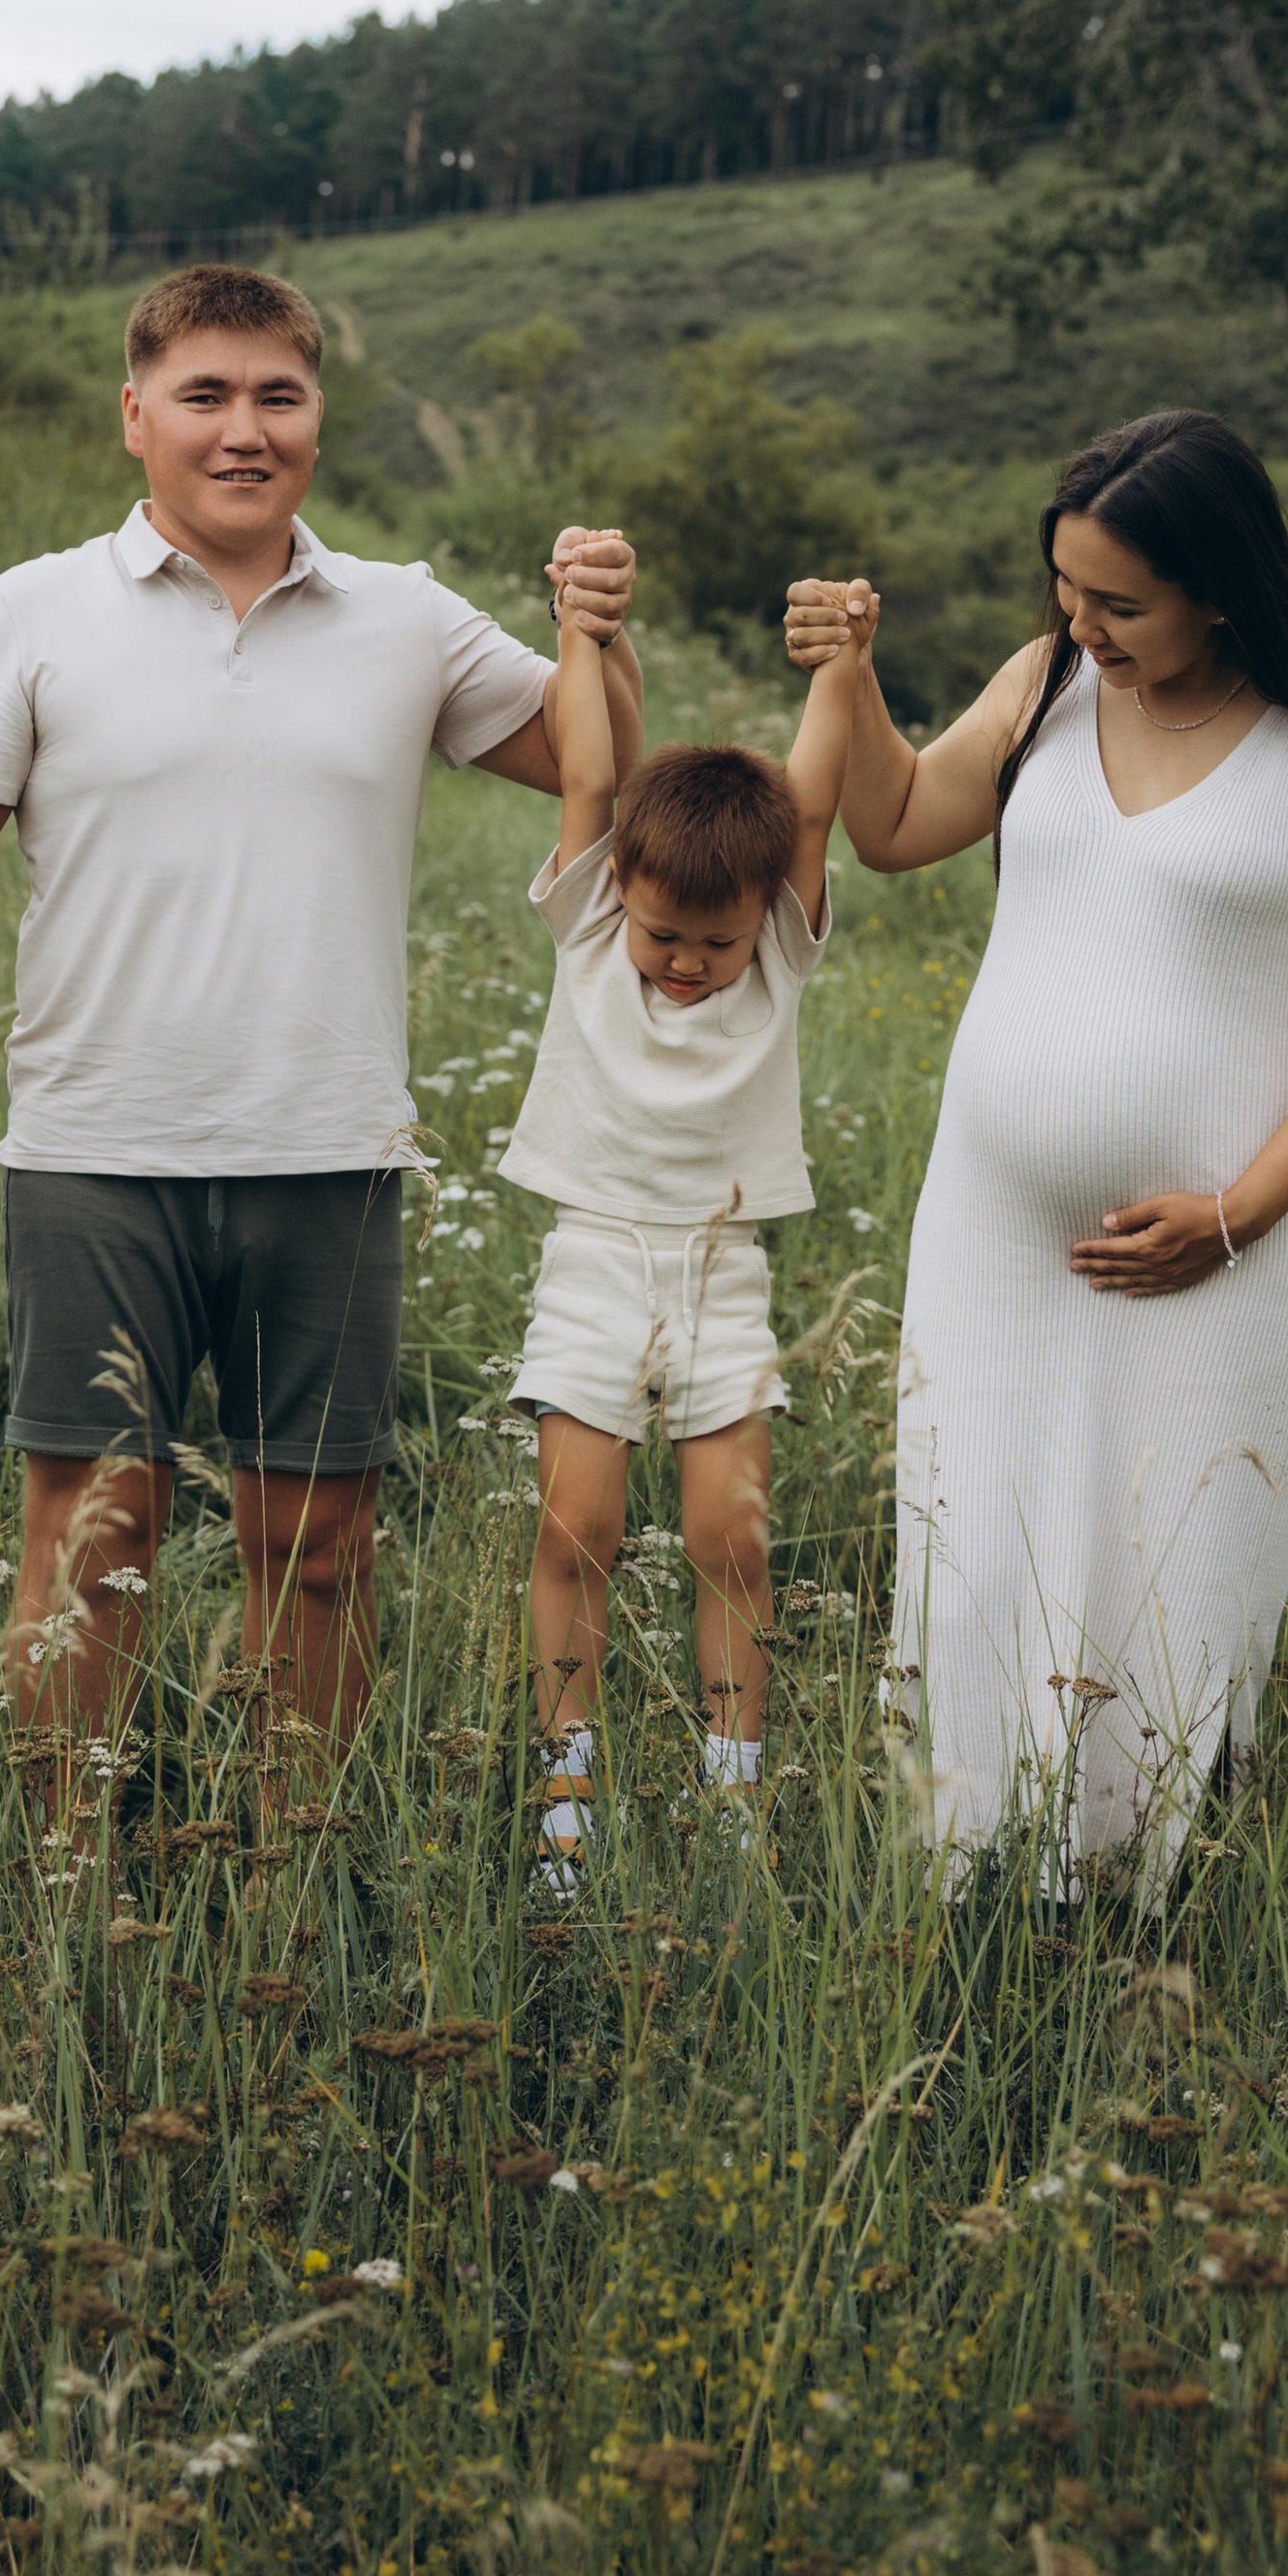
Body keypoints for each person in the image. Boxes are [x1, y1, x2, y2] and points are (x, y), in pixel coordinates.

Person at [0, 262, 640, 1768]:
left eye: (276, 396)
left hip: (328, 1154)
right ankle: (65, 1883)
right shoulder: (28, 612)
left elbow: (587, 761)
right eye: (205, 396)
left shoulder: (404, 617)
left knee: (324, 1538)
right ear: (134, 415)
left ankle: (297, 1876)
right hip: (96, 1151)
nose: (243, 430)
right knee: (93, 1538)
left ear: (318, 419)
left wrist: (595, 626)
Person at [788, 409, 1288, 1888]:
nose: (1084, 625)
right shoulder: (1045, 688)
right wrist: (853, 676)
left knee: (1174, 1598)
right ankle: (973, 1899)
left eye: (1121, 603)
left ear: (1222, 585)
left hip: (1219, 1259)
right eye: (1067, 590)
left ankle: (1144, 1930)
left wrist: (1241, 1211)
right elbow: (891, 823)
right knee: (979, 1578)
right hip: (994, 1244)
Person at [501, 554, 864, 1884]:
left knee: (729, 1539)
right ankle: (566, 1804)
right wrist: (580, 628)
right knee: (575, 1529)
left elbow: (813, 807)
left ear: (761, 921)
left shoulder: (778, 944)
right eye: (665, 936)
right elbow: (590, 779)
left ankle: (731, 1807)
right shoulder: (596, 920)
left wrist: (839, 667)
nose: (685, 966)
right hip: (592, 1256)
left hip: (726, 1272)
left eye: (712, 946)